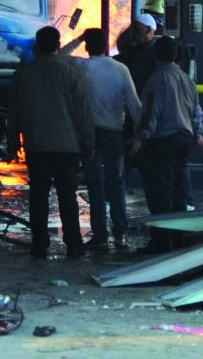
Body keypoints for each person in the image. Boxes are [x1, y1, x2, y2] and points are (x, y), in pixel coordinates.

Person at [7, 26, 94, 258]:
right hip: (67, 147)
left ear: (36, 46)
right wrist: (88, 146)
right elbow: (83, 114)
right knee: (67, 197)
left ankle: (39, 244)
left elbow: (14, 113)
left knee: (38, 196)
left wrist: (13, 142)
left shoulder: (22, 74)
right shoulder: (72, 73)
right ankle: (74, 244)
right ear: (58, 45)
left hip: (36, 145)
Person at [131, 36, 203, 254]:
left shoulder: (157, 80)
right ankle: (178, 237)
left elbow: (150, 113)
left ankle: (161, 242)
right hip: (184, 140)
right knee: (179, 189)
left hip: (163, 141)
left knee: (160, 192)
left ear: (156, 56)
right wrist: (198, 133)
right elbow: (196, 110)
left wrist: (140, 138)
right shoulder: (187, 79)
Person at [71, 28, 142, 250]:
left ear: (87, 46)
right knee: (116, 182)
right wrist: (140, 135)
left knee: (95, 184)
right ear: (106, 45)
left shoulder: (81, 66)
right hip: (114, 133)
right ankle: (120, 233)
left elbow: (59, 55)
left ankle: (100, 235)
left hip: (89, 133)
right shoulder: (120, 69)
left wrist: (78, 39)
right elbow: (135, 105)